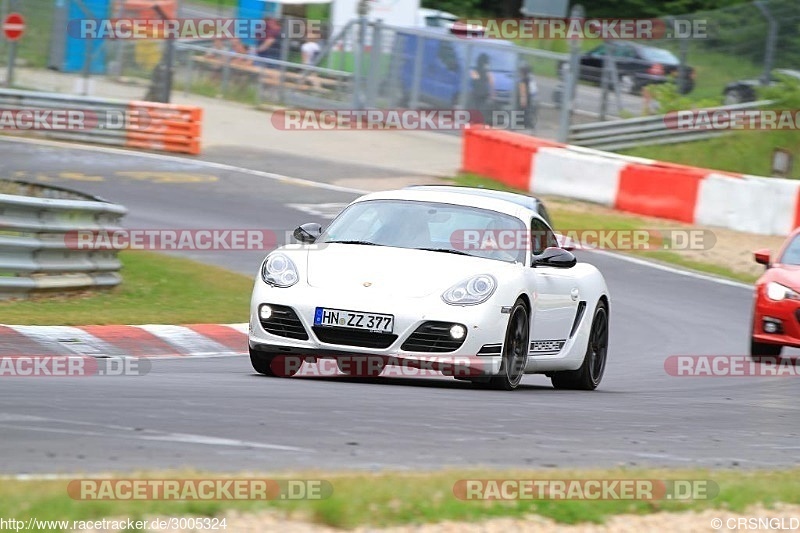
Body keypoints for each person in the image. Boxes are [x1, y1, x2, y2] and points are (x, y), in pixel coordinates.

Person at [468, 53, 495, 125]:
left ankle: (474, 122)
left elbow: (474, 81)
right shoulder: (487, 71)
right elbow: (491, 81)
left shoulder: (475, 70)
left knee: (474, 107)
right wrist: (492, 93)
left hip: (476, 93)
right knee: (483, 109)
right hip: (484, 93)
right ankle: (481, 122)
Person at [516, 62, 538, 130]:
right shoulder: (530, 79)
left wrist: (523, 99)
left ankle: (524, 124)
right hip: (529, 99)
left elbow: (523, 91)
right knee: (526, 112)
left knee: (523, 112)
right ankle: (526, 123)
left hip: (525, 100)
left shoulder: (523, 80)